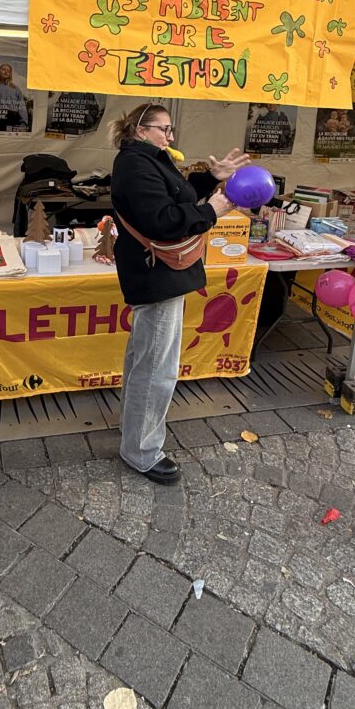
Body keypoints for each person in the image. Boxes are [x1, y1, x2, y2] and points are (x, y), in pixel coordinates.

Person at [110, 103, 247, 484]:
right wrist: (213, 211)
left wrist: (208, 179)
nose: (171, 137)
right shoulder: (135, 164)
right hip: (157, 276)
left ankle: (134, 432)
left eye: (171, 130)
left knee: (147, 358)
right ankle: (141, 451)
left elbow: (174, 198)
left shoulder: (149, 159)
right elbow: (165, 221)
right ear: (141, 129)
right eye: (164, 129)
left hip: (160, 275)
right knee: (157, 367)